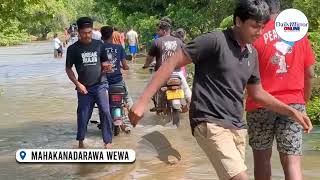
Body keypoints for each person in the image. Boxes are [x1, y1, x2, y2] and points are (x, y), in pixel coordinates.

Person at [129, 1, 313, 180]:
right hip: (210, 122)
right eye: (255, 27)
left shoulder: (251, 52)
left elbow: (257, 94)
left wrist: (292, 111)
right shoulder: (214, 41)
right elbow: (171, 62)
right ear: (239, 21)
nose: (260, 32)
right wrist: (143, 101)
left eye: (263, 27)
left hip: (236, 126)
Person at [245, 0, 316, 179]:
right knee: (292, 162)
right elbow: (310, 74)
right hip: (293, 104)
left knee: (262, 160)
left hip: (260, 104)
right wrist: (301, 104)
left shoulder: (254, 32)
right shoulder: (298, 33)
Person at [65, 17, 113, 149]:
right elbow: (68, 69)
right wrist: (77, 84)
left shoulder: (99, 45)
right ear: (79, 32)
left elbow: (104, 62)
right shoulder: (73, 49)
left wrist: (107, 66)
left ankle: (107, 143)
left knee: (105, 111)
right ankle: (81, 141)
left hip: (101, 84)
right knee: (83, 115)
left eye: (89, 32)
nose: (87, 35)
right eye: (84, 33)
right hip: (84, 88)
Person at [142, 17, 192, 112]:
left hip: (161, 74)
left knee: (149, 89)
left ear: (164, 31)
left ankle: (157, 106)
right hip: (177, 73)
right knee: (187, 91)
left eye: (158, 30)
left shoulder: (156, 42)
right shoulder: (179, 41)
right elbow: (187, 55)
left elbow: (149, 58)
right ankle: (191, 106)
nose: (157, 33)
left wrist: (146, 65)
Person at [100, 25, 133, 132]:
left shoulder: (99, 48)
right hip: (118, 81)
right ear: (112, 34)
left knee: (100, 103)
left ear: (101, 36)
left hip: (104, 82)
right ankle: (130, 119)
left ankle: (104, 121)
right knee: (127, 98)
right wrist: (125, 67)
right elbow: (125, 65)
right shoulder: (119, 48)